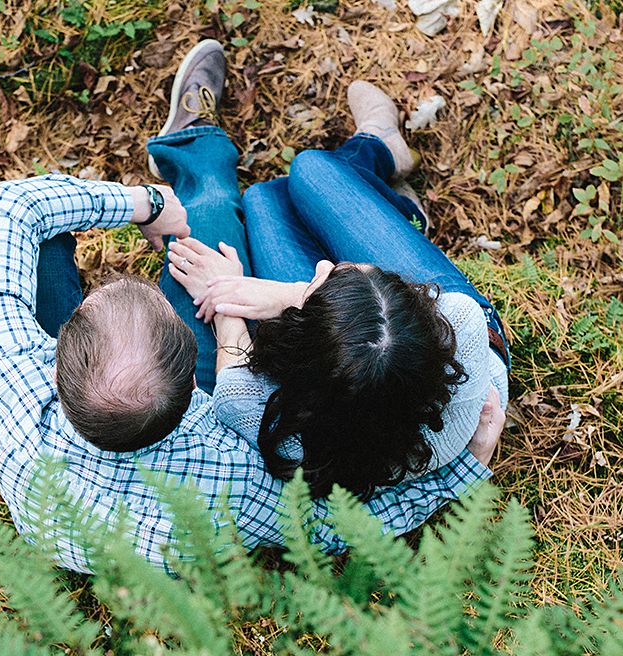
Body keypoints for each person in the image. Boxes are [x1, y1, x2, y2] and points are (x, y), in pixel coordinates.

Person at [0, 39, 504, 573]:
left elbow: (7, 205)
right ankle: (376, 167)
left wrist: (146, 207)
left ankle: (207, 149)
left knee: (256, 205)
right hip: (408, 360)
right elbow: (338, 528)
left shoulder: (1, 360)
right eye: (168, 306)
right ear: (191, 390)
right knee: (287, 186)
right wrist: (466, 469)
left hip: (59, 455)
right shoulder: (231, 476)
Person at [167, 79, 511, 501]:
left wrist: (227, 298)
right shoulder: (462, 324)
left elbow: (234, 380)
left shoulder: (273, 424)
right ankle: (382, 163)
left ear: (299, 351)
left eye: (323, 281)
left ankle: (380, 164)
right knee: (304, 175)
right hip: (442, 339)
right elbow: (365, 334)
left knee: (268, 195)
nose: (326, 265)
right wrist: (287, 296)